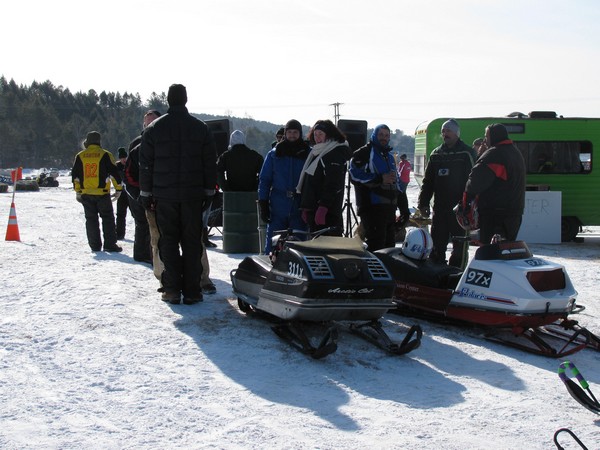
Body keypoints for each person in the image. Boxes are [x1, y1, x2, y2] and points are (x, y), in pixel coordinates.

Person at [139, 84, 217, 305]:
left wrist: (146, 193)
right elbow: (209, 163)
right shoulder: (200, 128)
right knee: (192, 243)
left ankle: (172, 290)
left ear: (168, 100)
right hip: (193, 196)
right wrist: (209, 192)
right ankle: (193, 291)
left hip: (164, 197)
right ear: (185, 99)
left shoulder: (154, 129)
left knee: (168, 243)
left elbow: (146, 165)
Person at [417, 119, 477, 268]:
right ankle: (437, 273)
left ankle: (457, 274)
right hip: (440, 208)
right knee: (437, 244)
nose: (445, 134)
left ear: (456, 133)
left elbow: (474, 180)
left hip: (460, 209)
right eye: (443, 131)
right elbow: (428, 181)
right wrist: (423, 202)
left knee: (459, 245)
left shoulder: (466, 153)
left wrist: (470, 203)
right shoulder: (436, 154)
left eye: (448, 131)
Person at [464, 123, 526, 244]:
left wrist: (466, 204)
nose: (485, 141)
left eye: (486, 136)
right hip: (515, 213)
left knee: (491, 253)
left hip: (496, 215)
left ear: (494, 136)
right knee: (506, 249)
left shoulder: (494, 154)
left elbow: (475, 181)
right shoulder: (515, 152)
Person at [258, 119, 310, 254]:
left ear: (300, 134)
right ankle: (271, 268)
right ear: (285, 134)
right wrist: (263, 203)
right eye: (289, 132)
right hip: (278, 204)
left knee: (299, 244)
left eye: (295, 132)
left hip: (300, 204)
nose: (292, 135)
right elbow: (265, 180)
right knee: (273, 243)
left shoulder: (308, 153)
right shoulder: (275, 154)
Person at [349, 124, 401, 251]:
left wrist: (403, 208)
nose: (384, 138)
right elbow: (354, 176)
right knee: (376, 246)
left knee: (389, 248)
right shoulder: (364, 153)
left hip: (389, 210)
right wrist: (380, 178)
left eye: (386, 135)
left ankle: (388, 270)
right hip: (371, 208)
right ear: (374, 135)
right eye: (381, 135)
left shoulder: (389, 157)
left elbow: (396, 183)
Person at [71, 131, 123, 252]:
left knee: (91, 219)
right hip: (102, 194)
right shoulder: (105, 154)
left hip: (86, 194)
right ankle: (110, 245)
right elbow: (114, 175)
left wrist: (78, 191)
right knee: (108, 219)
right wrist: (118, 189)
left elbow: (75, 176)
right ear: (99, 141)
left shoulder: (80, 156)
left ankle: (95, 246)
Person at [297, 119, 351, 234]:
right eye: (315, 134)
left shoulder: (334, 153)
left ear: (329, 135)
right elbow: (310, 182)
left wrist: (323, 207)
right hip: (314, 209)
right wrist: (306, 207)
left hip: (328, 213)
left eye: (321, 134)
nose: (317, 137)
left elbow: (333, 184)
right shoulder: (317, 152)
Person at [124, 110, 161, 264]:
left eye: (153, 121)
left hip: (158, 192)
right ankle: (142, 255)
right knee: (142, 223)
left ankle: (155, 255)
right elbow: (128, 172)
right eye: (147, 122)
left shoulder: (163, 142)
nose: (149, 124)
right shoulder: (136, 144)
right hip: (139, 191)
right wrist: (138, 192)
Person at [115, 147, 129, 239]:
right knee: (120, 214)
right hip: (121, 193)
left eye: (125, 157)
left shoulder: (131, 164)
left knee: (136, 215)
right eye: (121, 158)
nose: (123, 160)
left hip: (131, 193)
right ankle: (119, 234)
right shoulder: (117, 166)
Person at [396, 153, 412, 227]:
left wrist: (398, 178)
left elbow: (400, 171)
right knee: (403, 193)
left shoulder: (403, 163)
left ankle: (404, 211)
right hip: (406, 180)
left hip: (402, 180)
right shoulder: (408, 163)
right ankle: (405, 210)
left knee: (401, 194)